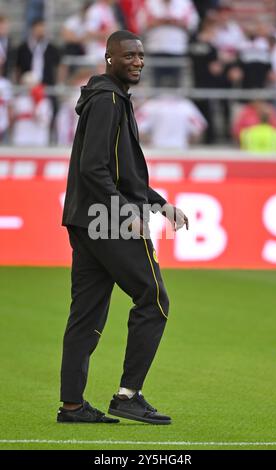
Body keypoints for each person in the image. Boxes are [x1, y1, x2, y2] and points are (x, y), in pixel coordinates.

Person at [58, 30, 189, 425]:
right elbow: (93, 168)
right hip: (108, 219)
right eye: (129, 55)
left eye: (141, 55)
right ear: (109, 57)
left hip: (87, 219)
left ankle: (73, 406)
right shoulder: (109, 101)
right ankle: (128, 395)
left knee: (85, 315)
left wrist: (159, 203)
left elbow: (123, 173)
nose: (138, 61)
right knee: (154, 299)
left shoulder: (108, 99)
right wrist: (123, 211)